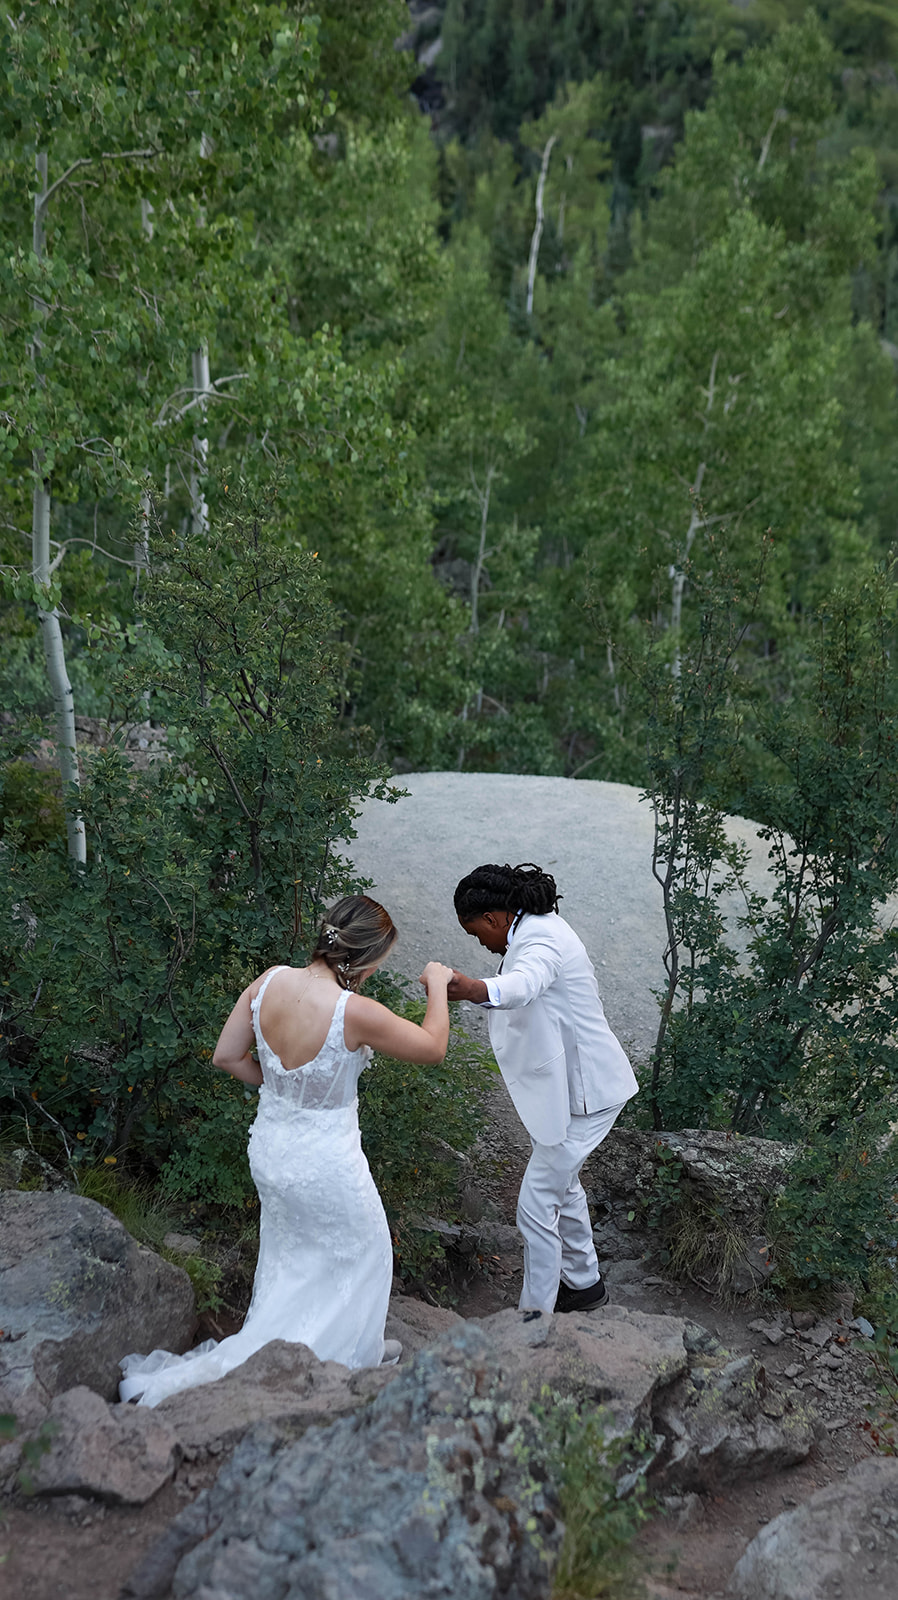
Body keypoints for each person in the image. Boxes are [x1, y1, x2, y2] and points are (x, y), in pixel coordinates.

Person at [119, 895, 453, 1406]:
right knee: (366, 1252)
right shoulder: (353, 1012)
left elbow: (226, 1055)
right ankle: (341, 1361)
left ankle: (317, 1345)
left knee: (294, 1257)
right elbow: (432, 1047)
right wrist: (437, 985)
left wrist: (283, 1092)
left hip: (272, 1152)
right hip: (325, 1163)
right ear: (364, 959)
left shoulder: (269, 981)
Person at [447, 862, 637, 1317]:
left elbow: (525, 983)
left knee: (536, 1201)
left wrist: (474, 988)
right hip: (572, 1091)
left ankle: (535, 1317)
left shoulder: (540, 939)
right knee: (562, 1186)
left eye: (477, 935)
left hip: (590, 1095)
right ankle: (585, 1287)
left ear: (494, 919)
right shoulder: (535, 927)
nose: (481, 943)